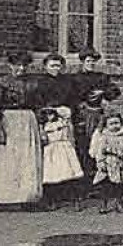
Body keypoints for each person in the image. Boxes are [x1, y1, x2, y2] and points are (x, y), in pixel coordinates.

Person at [0, 49, 43, 208]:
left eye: (24, 65)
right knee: (6, 157)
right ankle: (4, 197)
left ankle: (26, 197)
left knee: (26, 157)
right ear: (10, 65)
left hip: (27, 120)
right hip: (8, 120)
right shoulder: (1, 82)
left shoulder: (34, 83)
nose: (21, 69)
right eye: (17, 65)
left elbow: (38, 105)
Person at [32, 52, 85, 209]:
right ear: (45, 66)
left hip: (65, 122)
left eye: (58, 65)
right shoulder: (40, 83)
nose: (55, 68)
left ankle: (69, 195)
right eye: (52, 65)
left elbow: (74, 102)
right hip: (48, 123)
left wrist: (68, 112)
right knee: (50, 160)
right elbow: (38, 105)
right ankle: (51, 197)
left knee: (68, 159)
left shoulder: (68, 82)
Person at [72, 48, 119, 191]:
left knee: (100, 147)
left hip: (99, 115)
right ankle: (84, 186)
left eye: (93, 61)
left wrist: (103, 92)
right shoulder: (76, 78)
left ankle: (100, 184)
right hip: (83, 116)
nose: (90, 64)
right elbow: (71, 97)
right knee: (84, 147)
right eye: (88, 61)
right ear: (82, 62)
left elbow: (115, 92)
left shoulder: (101, 77)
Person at [88, 111, 123, 214]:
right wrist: (101, 162)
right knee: (106, 186)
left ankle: (118, 203)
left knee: (120, 185)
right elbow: (100, 151)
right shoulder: (104, 136)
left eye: (117, 123)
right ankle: (103, 204)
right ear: (106, 125)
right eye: (111, 124)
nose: (114, 126)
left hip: (121, 163)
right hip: (109, 163)